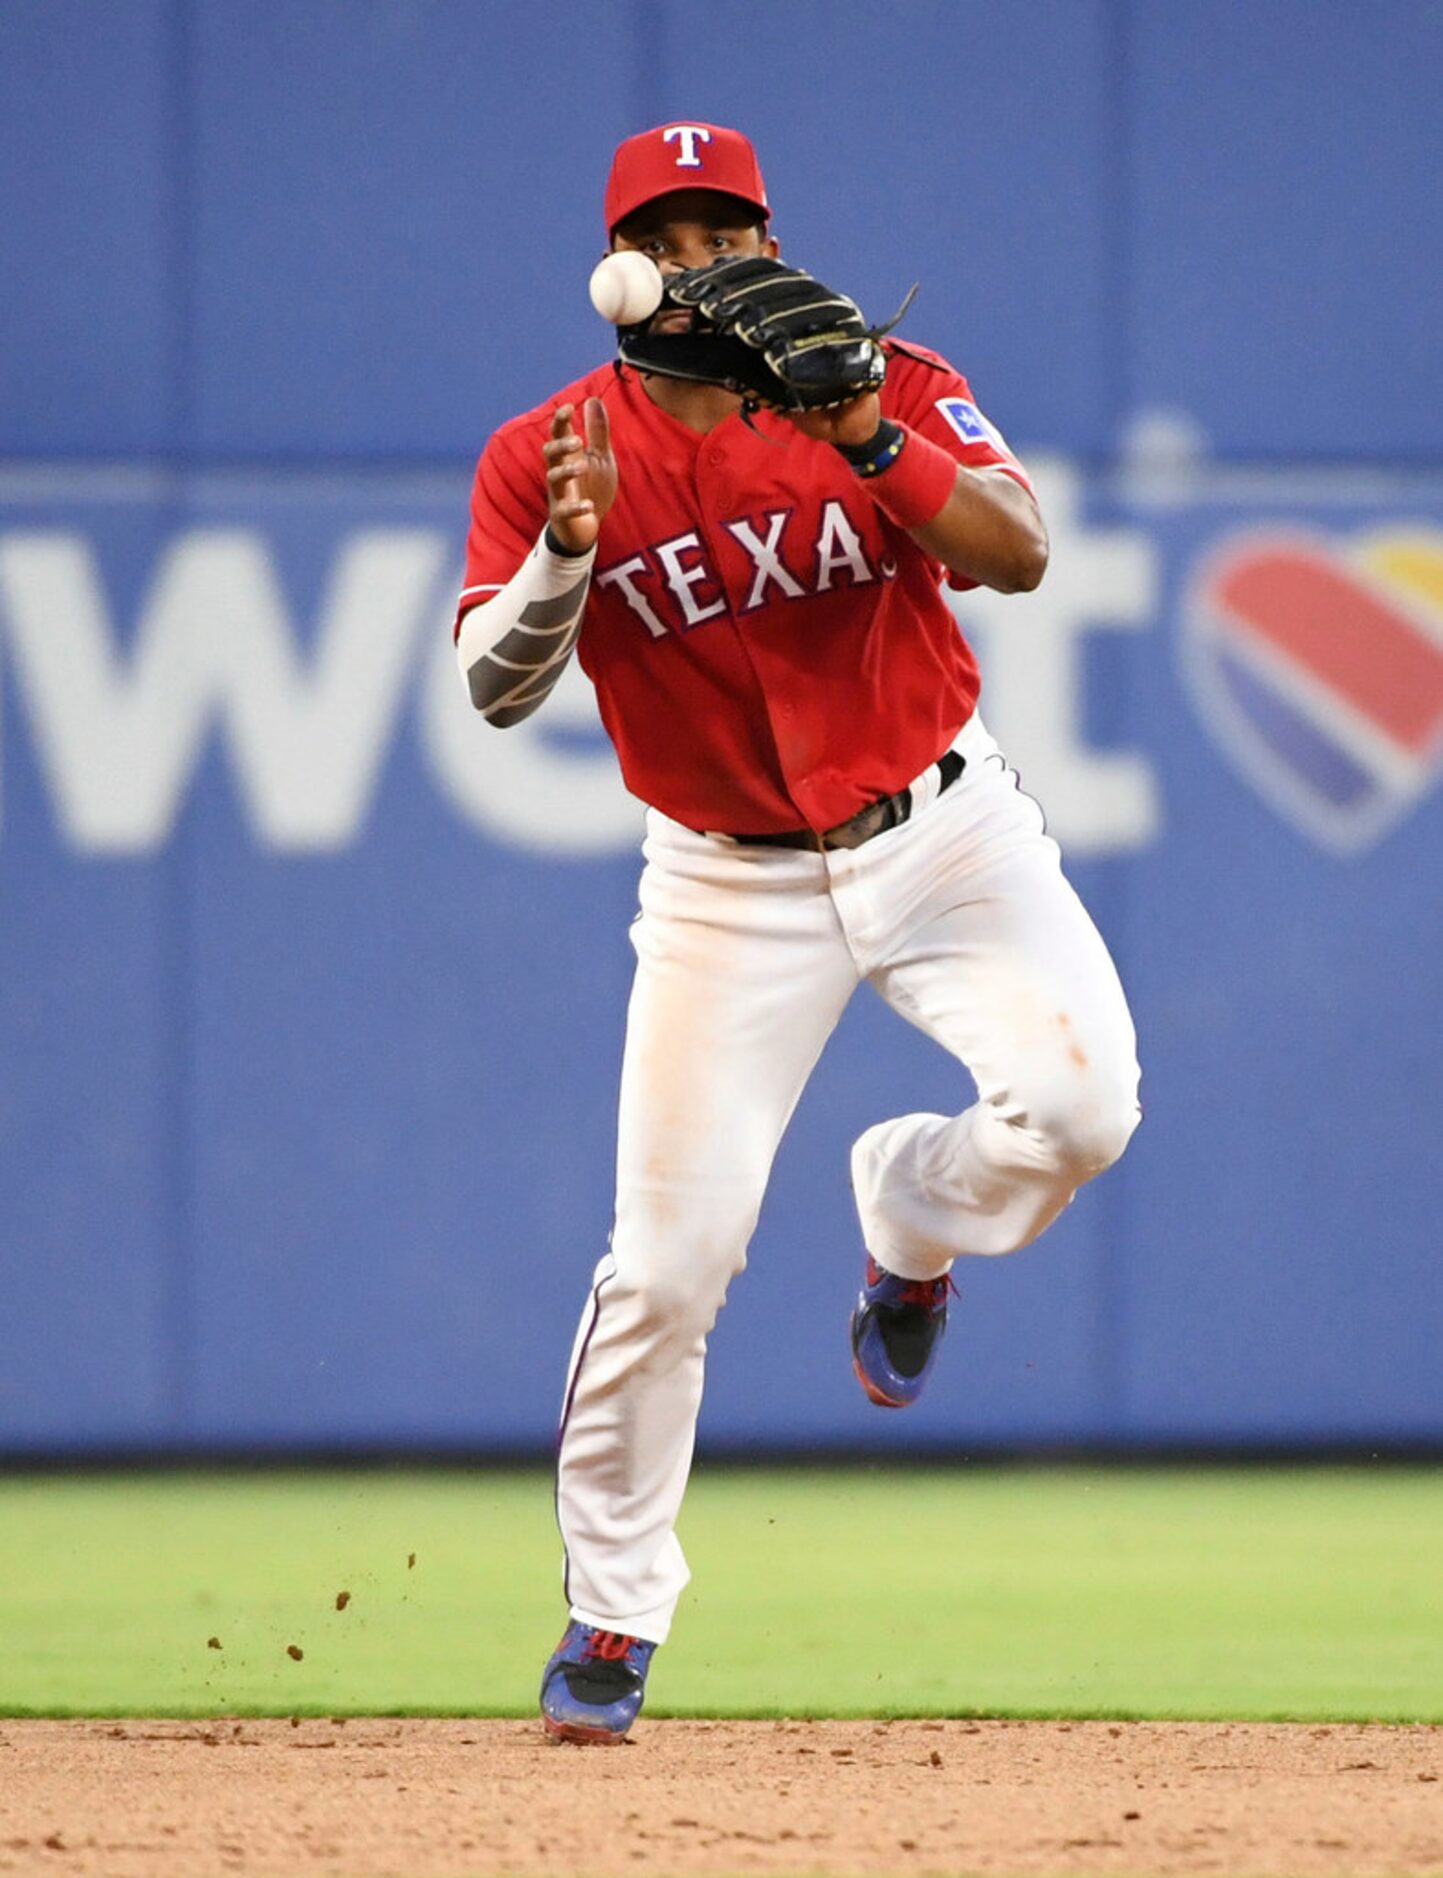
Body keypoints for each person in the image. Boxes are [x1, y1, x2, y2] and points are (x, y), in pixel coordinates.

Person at [454, 121, 1141, 1745]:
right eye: (666, 237)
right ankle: (616, 1611)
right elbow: (494, 687)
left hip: (942, 821)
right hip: (725, 881)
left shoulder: (882, 380)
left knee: (1085, 1108)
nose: (697, 262)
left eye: (723, 231)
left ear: (768, 242)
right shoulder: (546, 448)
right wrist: (564, 546)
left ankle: (910, 1208)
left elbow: (1021, 551)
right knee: (670, 1265)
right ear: (619, 265)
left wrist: (857, 429)